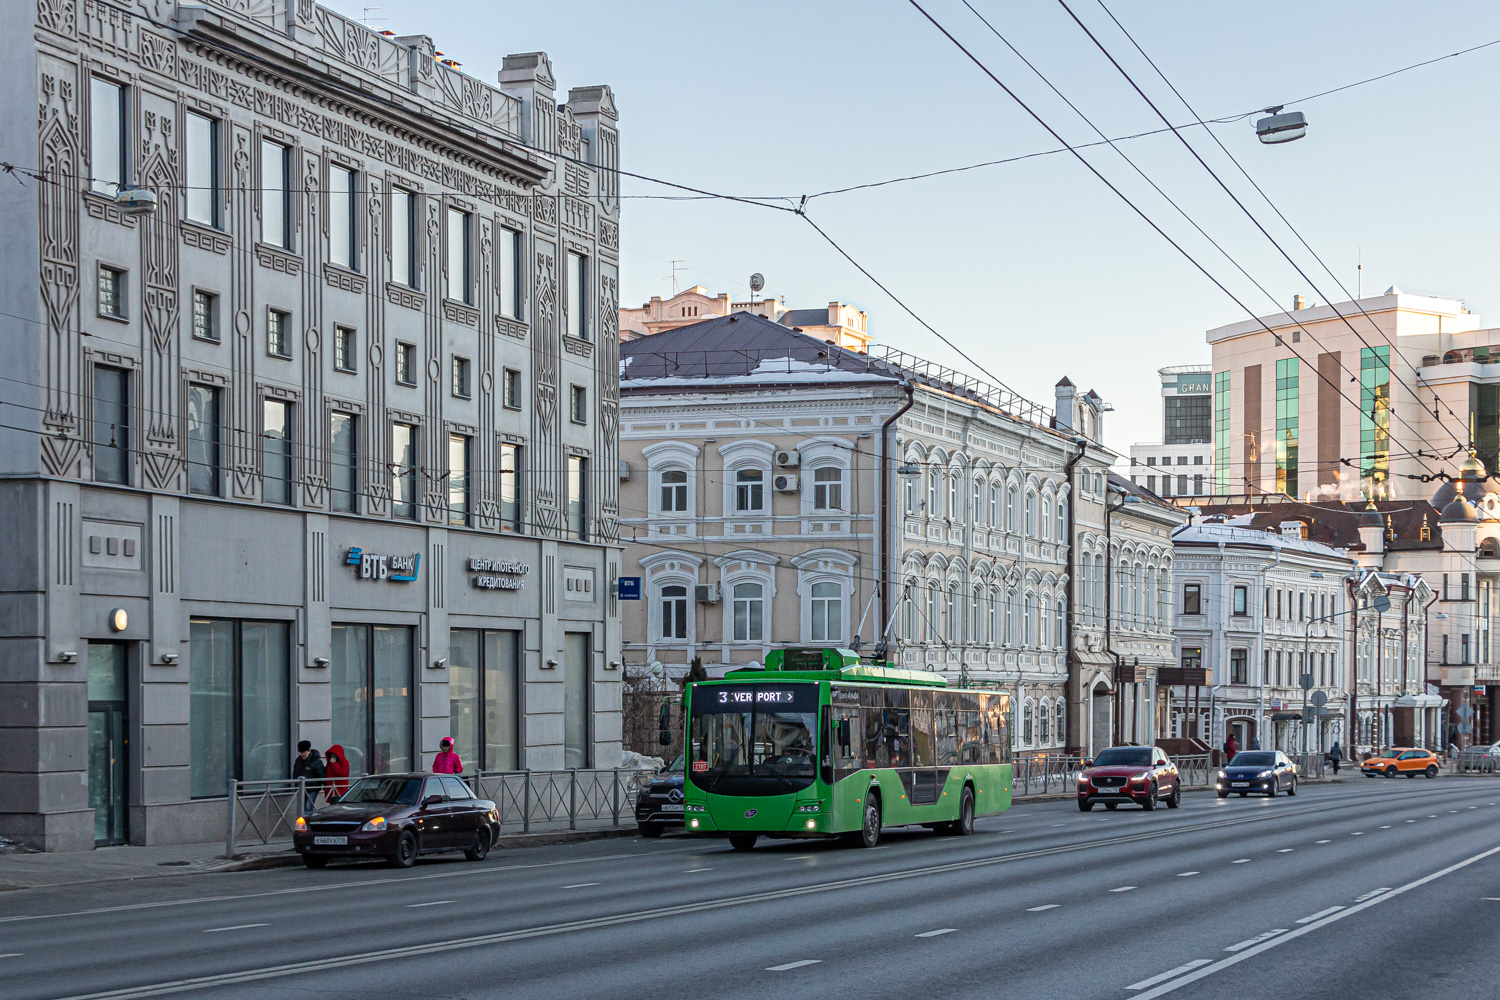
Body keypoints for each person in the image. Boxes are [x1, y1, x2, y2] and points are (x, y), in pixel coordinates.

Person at [292, 740, 326, 813]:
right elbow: (295, 773)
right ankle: (302, 823)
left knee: (308, 807)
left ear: (309, 750)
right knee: (301, 808)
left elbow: (322, 775)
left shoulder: (316, 761)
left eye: (304, 752)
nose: (302, 754)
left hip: (312, 789)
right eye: (301, 752)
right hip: (301, 788)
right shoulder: (298, 761)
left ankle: (306, 823)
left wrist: (320, 786)